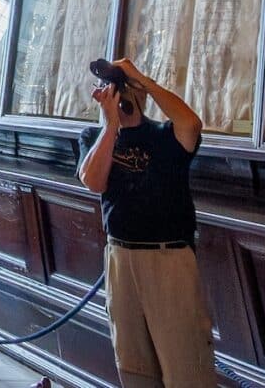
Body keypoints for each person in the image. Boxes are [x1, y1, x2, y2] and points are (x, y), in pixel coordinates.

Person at [79, 57, 217, 388]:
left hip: (168, 260)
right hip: (121, 259)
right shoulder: (94, 137)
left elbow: (192, 124)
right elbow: (93, 180)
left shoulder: (166, 136)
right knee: (134, 365)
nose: (114, 93)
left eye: (120, 87)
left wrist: (145, 82)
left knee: (187, 369)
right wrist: (111, 124)